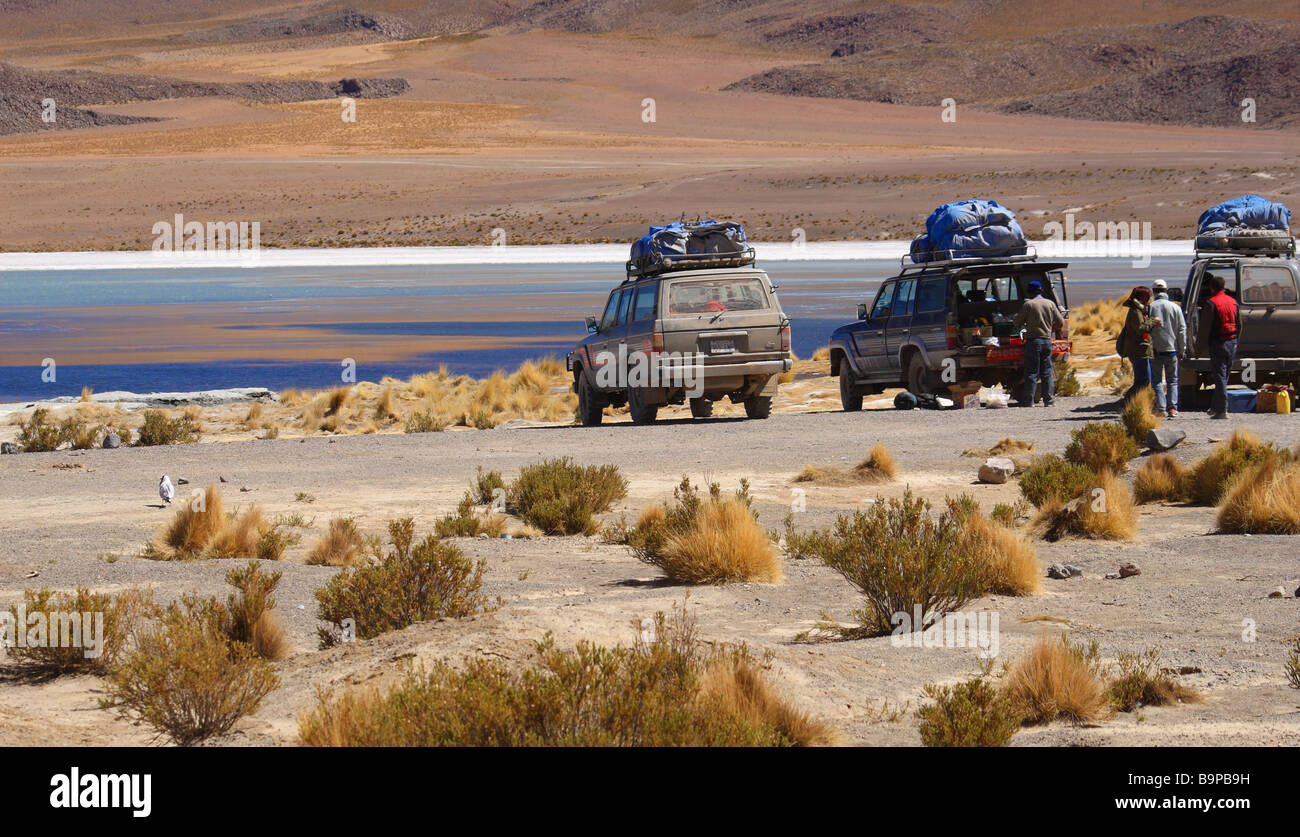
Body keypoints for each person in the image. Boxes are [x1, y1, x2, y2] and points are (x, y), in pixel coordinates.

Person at [1195, 273, 1241, 420]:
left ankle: (1222, 410)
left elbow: (1204, 329)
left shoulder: (1211, 303)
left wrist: (1197, 351)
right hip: (1231, 342)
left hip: (1219, 343)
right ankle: (1215, 407)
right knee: (1224, 375)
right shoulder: (1233, 302)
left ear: (1211, 287)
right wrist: (1235, 341)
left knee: (1219, 376)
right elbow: (1240, 324)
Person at [1012, 279, 1065, 407]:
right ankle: (1049, 400)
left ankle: (1029, 401)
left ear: (1030, 292)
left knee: (1031, 372)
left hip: (1033, 341)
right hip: (1047, 341)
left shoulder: (1028, 305)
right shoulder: (1050, 304)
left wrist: (1025, 323)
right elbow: (1061, 323)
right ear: (1041, 291)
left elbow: (1016, 323)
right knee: (1046, 372)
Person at [1148, 279, 1187, 417]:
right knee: (1172, 380)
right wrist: (1182, 349)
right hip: (1172, 350)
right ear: (1166, 291)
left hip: (1155, 350)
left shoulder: (1150, 307)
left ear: (1153, 292)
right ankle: (1172, 408)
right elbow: (1182, 330)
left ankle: (1161, 408)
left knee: (1157, 381)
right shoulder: (1175, 308)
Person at [1117, 286, 1160, 404]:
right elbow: (1141, 329)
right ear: (1142, 297)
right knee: (1143, 381)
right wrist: (1153, 321)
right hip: (1138, 350)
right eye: (1148, 297)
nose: (1149, 299)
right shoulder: (1135, 311)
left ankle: (1134, 402)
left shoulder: (1138, 310)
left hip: (1138, 350)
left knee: (1142, 380)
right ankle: (1127, 402)